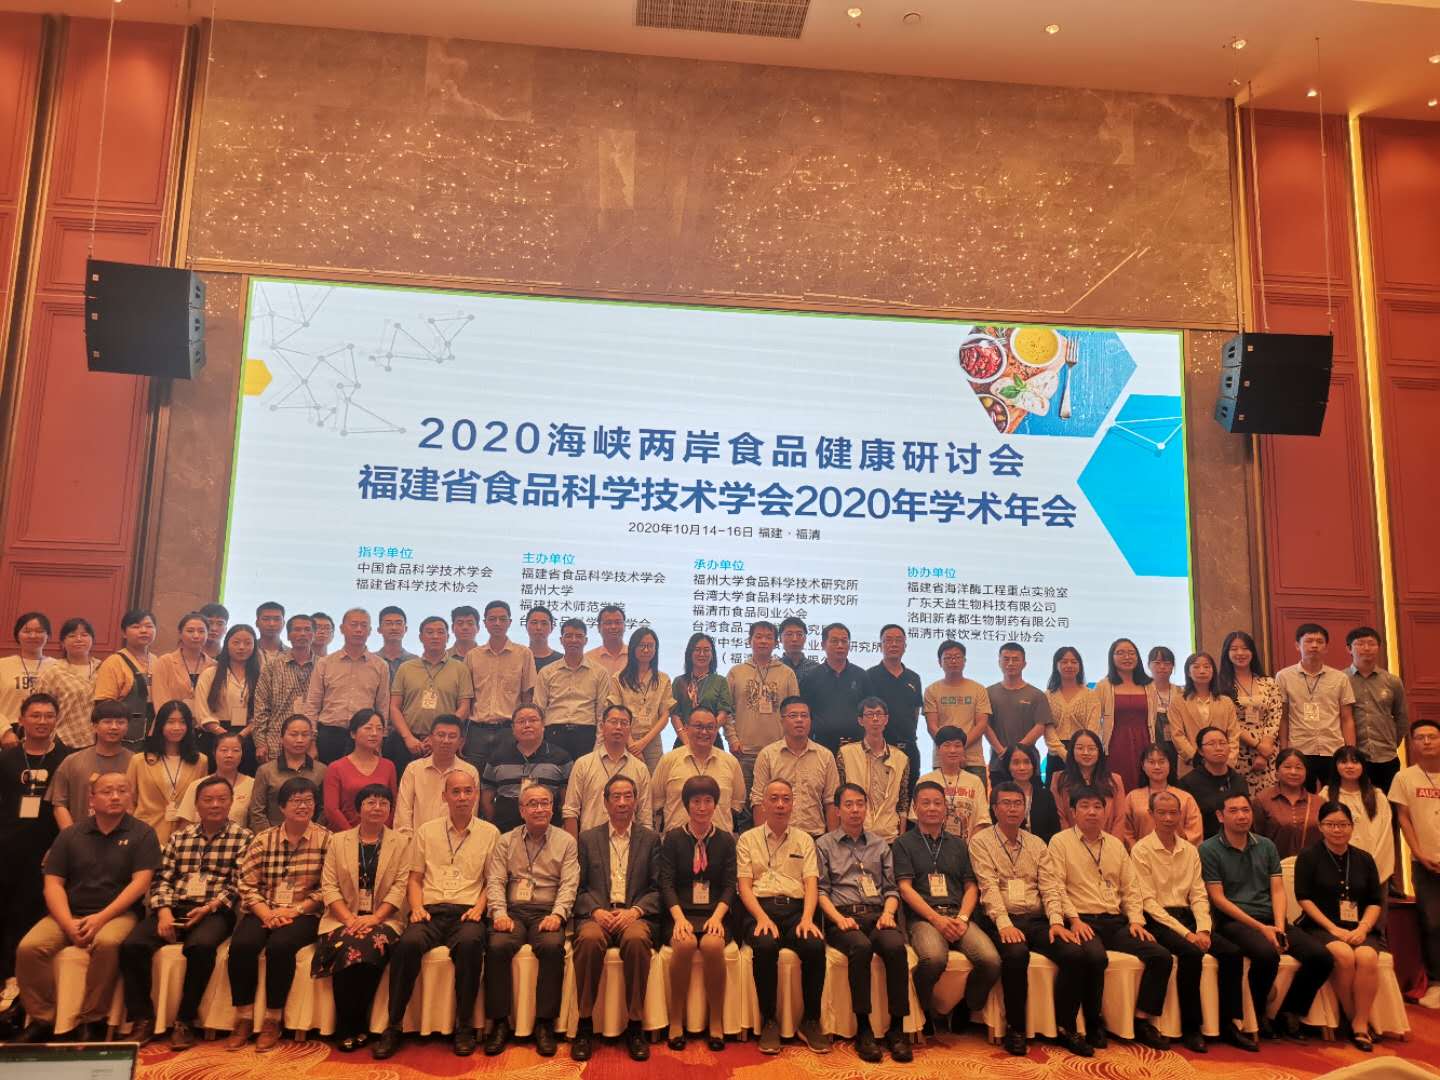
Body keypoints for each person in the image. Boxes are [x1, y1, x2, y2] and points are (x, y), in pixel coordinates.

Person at [11, 773, 160, 1043]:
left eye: (122, 791)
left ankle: (93, 1019)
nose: (115, 796)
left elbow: (140, 884)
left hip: (118, 914)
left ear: (131, 796)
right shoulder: (71, 834)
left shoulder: (143, 833)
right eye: (107, 791)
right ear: (92, 799)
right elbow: (53, 885)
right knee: (29, 948)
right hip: (69, 912)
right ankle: (43, 1019)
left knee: (107, 944)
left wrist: (101, 918)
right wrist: (67, 923)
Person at [117, 775, 251, 1049]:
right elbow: (162, 878)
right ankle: (142, 1018)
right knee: (132, 945)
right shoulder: (180, 837)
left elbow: (238, 884)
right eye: (208, 800)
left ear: (231, 803)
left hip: (214, 910)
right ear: (197, 804)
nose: (215, 805)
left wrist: (209, 907)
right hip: (175, 906)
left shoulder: (243, 837)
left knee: (200, 947)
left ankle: (185, 1020)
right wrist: (164, 911)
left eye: (222, 799)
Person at [374, 769, 499, 1059]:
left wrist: (480, 908)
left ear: (476, 795)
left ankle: (464, 1025)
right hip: (429, 910)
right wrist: (416, 907)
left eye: (468, 791)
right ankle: (394, 1025)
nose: (462, 797)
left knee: (470, 944)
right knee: (407, 945)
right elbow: (414, 878)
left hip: (468, 912)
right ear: (444, 796)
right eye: (455, 792)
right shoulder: (427, 831)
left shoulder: (490, 833)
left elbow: (492, 881)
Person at [1201, 791, 1334, 1041]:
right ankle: (1258, 1015)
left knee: (1321, 957)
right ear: (1220, 816)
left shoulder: (1266, 845)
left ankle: (1289, 1012)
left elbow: (1278, 890)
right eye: (1234, 811)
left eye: (1246, 810)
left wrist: (1279, 926)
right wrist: (1262, 929)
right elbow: (1218, 899)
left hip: (1272, 919)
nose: (1242, 816)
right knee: (1266, 954)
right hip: (1234, 922)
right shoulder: (1209, 849)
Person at [1047, 786, 1172, 1050]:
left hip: (1115, 921)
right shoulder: (1060, 842)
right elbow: (1056, 887)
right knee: (1095, 957)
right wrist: (1073, 919)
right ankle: (1092, 1023)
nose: (1092, 812)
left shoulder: (1115, 845)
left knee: (1160, 956)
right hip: (1082, 920)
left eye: (1097, 806)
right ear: (1073, 812)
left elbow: (1131, 888)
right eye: (1085, 806)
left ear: (1106, 812)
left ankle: (1142, 1020)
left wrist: (1136, 920)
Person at [970, 780, 1083, 1057]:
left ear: (1025, 808)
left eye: (1018, 803)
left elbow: (1050, 886)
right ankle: (1016, 1028)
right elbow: (988, 887)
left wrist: (1056, 922)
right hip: (1001, 919)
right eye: (1006, 803)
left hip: (1036, 919)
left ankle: (1066, 1026)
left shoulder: (1036, 843)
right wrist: (1004, 924)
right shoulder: (981, 842)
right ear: (994, 809)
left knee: (1074, 953)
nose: (1013, 809)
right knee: (1016, 954)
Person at [227, 776, 331, 1051]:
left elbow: (328, 888)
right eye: (296, 801)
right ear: (282, 807)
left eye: (308, 800)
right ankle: (244, 1017)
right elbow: (246, 884)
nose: (303, 806)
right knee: (242, 945)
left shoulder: (327, 840)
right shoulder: (264, 839)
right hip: (264, 909)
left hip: (304, 914)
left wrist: (295, 910)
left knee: (280, 946)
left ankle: (273, 1018)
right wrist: (267, 914)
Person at [895, 779, 1002, 1034]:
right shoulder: (903, 843)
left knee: (991, 961)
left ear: (946, 808)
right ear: (915, 807)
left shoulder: (958, 844)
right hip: (924, 918)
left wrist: (963, 918)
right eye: (926, 803)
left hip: (958, 915)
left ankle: (966, 1006)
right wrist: (936, 919)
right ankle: (924, 1010)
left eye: (937, 803)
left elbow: (971, 887)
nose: (932, 808)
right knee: (933, 959)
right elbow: (905, 889)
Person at [816, 783, 912, 1062]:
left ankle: (897, 1029)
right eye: (849, 804)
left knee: (895, 947)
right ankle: (864, 1028)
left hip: (878, 914)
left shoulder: (880, 844)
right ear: (837, 810)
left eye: (860, 804)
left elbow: (891, 889)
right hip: (842, 916)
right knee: (860, 947)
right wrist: (839, 919)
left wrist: (888, 914)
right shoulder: (824, 845)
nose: (855, 810)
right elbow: (821, 892)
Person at [483, 782, 578, 1057]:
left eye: (545, 803)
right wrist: (499, 913)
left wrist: (558, 915)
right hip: (513, 910)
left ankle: (544, 1024)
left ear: (553, 808)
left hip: (547, 910)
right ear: (521, 809)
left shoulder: (566, 842)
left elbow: (569, 884)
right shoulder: (506, 840)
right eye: (532, 804)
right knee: (497, 946)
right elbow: (495, 880)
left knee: (551, 947)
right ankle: (499, 1023)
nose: (539, 809)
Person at [313, 784, 410, 1053]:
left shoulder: (401, 842)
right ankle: (348, 1024)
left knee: (371, 944)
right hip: (341, 918)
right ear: (359, 808)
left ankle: (356, 1022)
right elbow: (329, 886)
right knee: (347, 945)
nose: (377, 808)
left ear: (390, 810)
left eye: (383, 803)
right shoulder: (338, 841)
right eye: (370, 802)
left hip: (384, 919)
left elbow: (400, 886)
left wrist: (375, 917)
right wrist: (348, 919)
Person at [736, 779, 831, 1055]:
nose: (780, 804)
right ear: (763, 804)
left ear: (793, 804)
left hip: (796, 911)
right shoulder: (747, 839)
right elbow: (744, 886)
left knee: (814, 945)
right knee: (765, 946)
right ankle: (769, 1021)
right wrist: (761, 917)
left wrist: (808, 919)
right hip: (759, 909)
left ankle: (810, 1020)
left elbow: (811, 883)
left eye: (786, 799)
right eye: (774, 799)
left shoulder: (804, 840)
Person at [570, 773, 660, 1062]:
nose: (622, 803)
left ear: (636, 801)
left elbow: (658, 888)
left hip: (634, 915)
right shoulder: (587, 839)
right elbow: (577, 887)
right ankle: (584, 1023)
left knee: (636, 940)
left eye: (628, 796)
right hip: (597, 914)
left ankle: (635, 1025)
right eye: (616, 797)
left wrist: (635, 911)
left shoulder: (650, 839)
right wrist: (595, 911)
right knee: (588, 939)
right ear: (606, 802)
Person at [1129, 788, 1217, 1053]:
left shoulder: (1190, 850)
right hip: (1157, 919)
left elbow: (1198, 894)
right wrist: (1188, 935)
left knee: (1230, 951)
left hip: (1188, 916)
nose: (1168, 818)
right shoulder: (1141, 850)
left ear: (1181, 815)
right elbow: (1148, 902)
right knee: (1191, 953)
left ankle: (1229, 1023)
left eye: (1173, 813)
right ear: (1151, 814)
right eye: (1162, 813)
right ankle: (1191, 1027)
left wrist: (1204, 929)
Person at [0, 694, 71, 1024]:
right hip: (9, 847)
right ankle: (8, 982)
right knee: (7, 913)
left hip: (49, 851)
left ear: (57, 719)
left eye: (48, 715)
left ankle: (35, 993)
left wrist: (61, 847)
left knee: (37, 915)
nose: (42, 721)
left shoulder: (66, 759)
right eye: (36, 715)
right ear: (22, 719)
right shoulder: (7, 758)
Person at [1295, 800, 1386, 1050]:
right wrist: (1333, 929)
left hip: (1359, 927)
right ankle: (1353, 1016)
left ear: (1352, 826)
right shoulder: (1309, 857)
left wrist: (1363, 928)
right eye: (1331, 824)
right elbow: (1303, 898)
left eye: (1343, 824)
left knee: (1367, 956)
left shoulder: (1364, 859)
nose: (1337, 830)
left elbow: (1375, 901)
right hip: (1319, 927)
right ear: (1320, 826)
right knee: (1344, 955)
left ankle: (1360, 1022)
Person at [658, 775, 735, 1052]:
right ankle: (676, 1020)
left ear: (715, 804)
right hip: (680, 912)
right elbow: (666, 883)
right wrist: (679, 919)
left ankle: (716, 1021)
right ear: (686, 804)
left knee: (713, 946)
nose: (702, 807)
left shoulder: (726, 840)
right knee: (685, 944)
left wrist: (717, 917)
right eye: (696, 801)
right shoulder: (673, 839)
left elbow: (730, 885)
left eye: (707, 801)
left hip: (715, 913)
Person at [1386, 716, 1440, 1008]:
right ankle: (1435, 982)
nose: (1427, 742)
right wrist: (1418, 853)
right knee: (1432, 922)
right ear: (1413, 743)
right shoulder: (1404, 778)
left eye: (1432, 736)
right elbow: (1403, 819)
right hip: (1424, 862)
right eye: (1420, 738)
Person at [1276, 623, 1356, 790]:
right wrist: (1284, 750)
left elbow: (1347, 718)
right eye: (1309, 641)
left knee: (1336, 795)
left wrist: (1349, 752)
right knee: (1301, 796)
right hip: (1299, 749)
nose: (1314, 645)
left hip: (1333, 748)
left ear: (1326, 647)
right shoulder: (1284, 677)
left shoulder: (1340, 678)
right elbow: (1282, 718)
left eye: (1319, 642)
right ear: (1297, 645)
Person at [304, 608, 390, 765]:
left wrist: (379, 741)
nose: (359, 630)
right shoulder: (325, 663)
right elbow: (312, 705)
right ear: (342, 628)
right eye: (354, 624)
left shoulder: (380, 665)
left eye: (363, 625)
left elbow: (382, 707)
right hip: (329, 735)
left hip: (364, 735)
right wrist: (311, 741)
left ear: (370, 631)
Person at [389, 615, 473, 771]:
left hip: (445, 742)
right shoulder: (406, 668)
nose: (435, 636)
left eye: (440, 632)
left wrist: (438, 737)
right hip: (407, 742)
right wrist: (408, 738)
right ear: (420, 637)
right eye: (429, 632)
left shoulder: (460, 669)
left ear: (448, 637)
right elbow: (394, 707)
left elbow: (464, 707)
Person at [751, 696, 840, 836]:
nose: (799, 720)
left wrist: (833, 842)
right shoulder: (767, 755)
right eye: (793, 716)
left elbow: (831, 802)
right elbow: (758, 800)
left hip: (815, 835)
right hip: (777, 835)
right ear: (782, 721)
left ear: (810, 721)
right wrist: (762, 840)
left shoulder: (825, 756)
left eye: (804, 716)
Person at [463, 601, 535, 770]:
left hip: (509, 730)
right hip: (477, 731)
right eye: (492, 619)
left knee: (509, 779)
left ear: (510, 622)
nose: (497, 623)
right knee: (475, 778)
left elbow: (527, 696)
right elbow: (467, 697)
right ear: (484, 623)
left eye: (502, 619)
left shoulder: (523, 654)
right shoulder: (472, 656)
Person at [727, 621, 798, 791]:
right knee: (743, 803)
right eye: (758, 637)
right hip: (743, 752)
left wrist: (788, 743)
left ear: (776, 642)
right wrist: (732, 739)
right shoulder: (736, 672)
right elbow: (727, 711)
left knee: (776, 800)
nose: (763, 641)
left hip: (778, 752)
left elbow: (794, 711)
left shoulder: (787, 673)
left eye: (768, 637)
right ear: (749, 640)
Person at [125, 701, 209, 845]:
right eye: (170, 722)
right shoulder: (139, 760)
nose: (177, 727)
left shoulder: (200, 761)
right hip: (146, 835)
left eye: (182, 722)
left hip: (186, 837)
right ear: (160, 725)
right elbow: (128, 802)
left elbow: (201, 801)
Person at [480, 703, 571, 831]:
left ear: (543, 725)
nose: (527, 725)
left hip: (549, 833)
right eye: (521, 721)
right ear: (513, 728)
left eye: (533, 720)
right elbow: (486, 800)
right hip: (505, 833)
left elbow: (566, 803)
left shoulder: (561, 758)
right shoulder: (497, 758)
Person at [562, 703, 650, 835]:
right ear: (602, 727)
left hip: (629, 843)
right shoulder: (583, 764)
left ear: (630, 729)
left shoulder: (640, 768)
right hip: (590, 843)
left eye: (624, 723)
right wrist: (574, 847)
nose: (618, 727)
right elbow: (570, 811)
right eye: (613, 722)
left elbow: (645, 817)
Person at [652, 707, 745, 832]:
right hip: (677, 841)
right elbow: (657, 802)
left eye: (710, 727)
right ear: (686, 728)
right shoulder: (668, 761)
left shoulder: (731, 763)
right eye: (698, 726)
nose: (704, 732)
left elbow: (736, 804)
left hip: (719, 841)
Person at [49, 700, 133, 830]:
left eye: (120, 722)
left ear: (127, 727)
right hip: (81, 835)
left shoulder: (136, 762)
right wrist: (72, 836)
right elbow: (59, 804)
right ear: (94, 726)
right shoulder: (72, 761)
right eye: (107, 722)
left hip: (126, 836)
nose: (114, 727)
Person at [534, 618, 611, 760]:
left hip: (586, 734)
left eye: (579, 636)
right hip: (553, 734)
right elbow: (538, 710)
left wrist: (598, 746)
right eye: (568, 636)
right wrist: (540, 744)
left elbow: (602, 713)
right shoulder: (546, 672)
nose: (574, 640)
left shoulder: (600, 673)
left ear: (586, 640)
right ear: (561, 640)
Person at [1217, 632, 1284, 796]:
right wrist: (1258, 745)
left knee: (1268, 800)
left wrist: (1265, 751)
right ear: (1226, 653)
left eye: (1245, 648)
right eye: (1234, 649)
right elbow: (1229, 722)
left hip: (1268, 753)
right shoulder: (1220, 685)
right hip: (1236, 751)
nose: (1240, 653)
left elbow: (1274, 717)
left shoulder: (1269, 683)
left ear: (1252, 652)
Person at [1345, 626, 1408, 794]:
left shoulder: (1392, 681)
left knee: (1388, 803)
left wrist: (1391, 742)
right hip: (1352, 757)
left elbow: (1401, 718)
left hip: (1386, 756)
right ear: (1349, 649)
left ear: (1378, 648)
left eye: (1371, 643)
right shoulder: (1340, 680)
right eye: (1360, 644)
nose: (1366, 648)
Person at [836, 697, 909, 840]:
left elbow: (903, 802)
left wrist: (902, 838)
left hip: (889, 836)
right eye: (869, 714)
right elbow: (838, 796)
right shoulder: (845, 753)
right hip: (855, 834)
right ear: (860, 721)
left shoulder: (901, 758)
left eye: (879, 714)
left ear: (886, 719)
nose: (875, 719)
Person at [864, 625, 925, 795]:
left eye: (898, 640)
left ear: (905, 646)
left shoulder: (913, 678)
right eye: (888, 640)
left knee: (909, 794)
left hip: (909, 746)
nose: (893, 644)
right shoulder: (869, 676)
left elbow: (915, 711)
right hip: (880, 748)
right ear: (880, 645)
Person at [923, 640, 993, 783]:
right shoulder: (932, 690)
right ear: (939, 662)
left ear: (964, 661)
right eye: (948, 658)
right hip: (942, 760)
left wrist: (958, 749)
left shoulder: (978, 689)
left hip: (973, 760)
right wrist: (951, 750)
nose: (953, 661)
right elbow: (932, 726)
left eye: (957, 657)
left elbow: (981, 724)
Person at [393, 714, 477, 833]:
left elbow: (470, 815)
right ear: (430, 738)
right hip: (417, 841)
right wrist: (407, 841)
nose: (446, 741)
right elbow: (403, 813)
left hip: (455, 841)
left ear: (461, 742)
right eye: (441, 735)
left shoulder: (469, 772)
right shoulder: (414, 769)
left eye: (452, 736)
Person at [193, 624, 260, 769]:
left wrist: (241, 736)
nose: (241, 647)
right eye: (236, 642)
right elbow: (201, 709)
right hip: (215, 735)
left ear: (255, 646)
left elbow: (263, 711)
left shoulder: (261, 675)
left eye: (248, 643)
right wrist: (223, 734)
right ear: (227, 644)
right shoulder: (210, 673)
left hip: (249, 736)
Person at [252, 613, 317, 765]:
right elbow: (261, 707)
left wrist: (314, 742)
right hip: (275, 743)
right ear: (288, 635)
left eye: (307, 629)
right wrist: (260, 743)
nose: (302, 634)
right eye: (297, 630)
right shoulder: (273, 666)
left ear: (313, 634)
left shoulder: (324, 666)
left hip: (312, 743)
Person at [986, 642, 1053, 783]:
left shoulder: (1036, 694)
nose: (1010, 663)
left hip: (1028, 763)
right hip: (998, 762)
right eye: (1006, 659)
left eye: (1015, 659)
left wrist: (1017, 751)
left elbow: (1040, 726)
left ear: (1024, 664)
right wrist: (1001, 751)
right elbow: (985, 725)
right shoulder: (988, 693)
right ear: (999, 662)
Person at [1095, 638, 1157, 791]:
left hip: (1144, 741)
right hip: (1116, 743)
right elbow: (1096, 720)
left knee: (1144, 784)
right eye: (1120, 653)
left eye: (1131, 653)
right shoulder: (1103, 685)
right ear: (1112, 657)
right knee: (1118, 785)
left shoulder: (1149, 685)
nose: (1127, 657)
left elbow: (1153, 718)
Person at [248, 714, 328, 832]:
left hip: (312, 836)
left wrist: (314, 834)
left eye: (305, 735)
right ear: (281, 738)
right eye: (293, 734)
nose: (300, 740)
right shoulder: (266, 770)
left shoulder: (322, 770)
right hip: (272, 835)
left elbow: (325, 809)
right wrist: (270, 837)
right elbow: (256, 811)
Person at [799, 624, 870, 756]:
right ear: (823, 645)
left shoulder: (861, 675)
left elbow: (868, 711)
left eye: (844, 641)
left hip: (856, 746)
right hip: (820, 746)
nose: (840, 645)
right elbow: (804, 713)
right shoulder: (811, 677)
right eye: (834, 641)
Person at [609, 626, 672, 772]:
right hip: (624, 739)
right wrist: (632, 744)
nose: (646, 650)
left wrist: (643, 742)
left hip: (652, 741)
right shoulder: (619, 678)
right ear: (633, 648)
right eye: (642, 645)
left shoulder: (663, 679)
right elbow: (616, 713)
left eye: (650, 646)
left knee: (653, 781)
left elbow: (665, 716)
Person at [92, 609, 157, 750]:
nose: (143, 631)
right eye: (136, 626)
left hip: (152, 735)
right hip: (121, 737)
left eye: (149, 626)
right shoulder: (114, 662)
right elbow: (104, 706)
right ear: (124, 633)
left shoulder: (158, 661)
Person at [323, 708, 397, 832]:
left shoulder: (388, 766)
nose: (374, 733)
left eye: (379, 729)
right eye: (368, 728)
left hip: (381, 835)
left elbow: (393, 805)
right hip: (344, 835)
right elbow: (331, 809)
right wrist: (353, 835)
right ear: (353, 733)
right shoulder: (336, 768)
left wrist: (382, 831)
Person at [1328, 746, 1394, 884]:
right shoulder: (1326, 796)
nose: (1349, 766)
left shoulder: (1378, 797)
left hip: (1375, 871)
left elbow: (1385, 836)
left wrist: (1370, 866)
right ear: (1335, 766)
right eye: (1343, 762)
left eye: (1355, 761)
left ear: (1363, 765)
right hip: (1337, 873)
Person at [1169, 652, 1241, 778]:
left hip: (1223, 765)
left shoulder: (1225, 701)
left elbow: (1233, 734)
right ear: (1188, 672)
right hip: (1191, 766)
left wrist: (1229, 760)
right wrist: (1197, 759)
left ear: (1213, 671)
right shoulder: (1178, 701)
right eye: (1196, 667)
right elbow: (1177, 735)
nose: (1202, 671)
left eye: (1207, 666)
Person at [913, 727, 990, 840]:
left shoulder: (975, 781)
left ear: (963, 749)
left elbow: (982, 821)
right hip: (931, 846)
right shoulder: (925, 780)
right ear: (938, 749)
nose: (952, 750)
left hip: (966, 846)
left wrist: (969, 846)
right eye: (947, 745)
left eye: (957, 746)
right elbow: (917, 818)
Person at [1120, 743, 1203, 847]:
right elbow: (1126, 831)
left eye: (1162, 762)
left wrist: (1175, 850)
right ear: (1143, 766)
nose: (1157, 767)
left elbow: (1195, 832)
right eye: (1151, 762)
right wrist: (1138, 851)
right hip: (1142, 854)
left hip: (1179, 854)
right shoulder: (1132, 797)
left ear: (1170, 764)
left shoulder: (1186, 798)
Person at [36, 617, 100, 751]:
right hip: (63, 740)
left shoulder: (103, 668)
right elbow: (39, 707)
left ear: (92, 640)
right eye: (72, 636)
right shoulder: (52, 672)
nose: (79, 639)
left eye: (84, 635)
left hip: (100, 741)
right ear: (62, 643)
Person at [1178, 725, 1251, 839]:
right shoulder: (1188, 783)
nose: (1218, 748)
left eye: (1223, 743)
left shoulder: (1239, 780)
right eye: (1211, 744)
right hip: (1202, 843)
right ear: (1200, 751)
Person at [1051, 729, 1125, 836]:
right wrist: (1070, 842)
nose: (1086, 753)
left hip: (1108, 841)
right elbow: (1060, 817)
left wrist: (1111, 844)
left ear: (1099, 752)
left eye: (1091, 748)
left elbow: (1120, 819)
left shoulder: (1114, 780)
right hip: (1070, 842)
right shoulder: (1059, 779)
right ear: (1072, 751)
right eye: (1080, 748)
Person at [175, 730, 254, 828]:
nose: (229, 755)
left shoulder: (252, 785)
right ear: (214, 753)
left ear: (242, 754)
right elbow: (185, 824)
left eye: (236, 750)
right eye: (224, 750)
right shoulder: (197, 785)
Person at [1044, 645, 1101, 780]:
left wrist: (1081, 751)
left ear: (1080, 666)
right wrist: (1065, 755)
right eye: (1064, 662)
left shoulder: (1090, 695)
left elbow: (1093, 728)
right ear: (1056, 665)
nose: (1069, 665)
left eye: (1074, 662)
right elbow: (1048, 729)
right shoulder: (1047, 696)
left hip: (1085, 754)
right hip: (1056, 754)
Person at [1254, 748, 1322, 859]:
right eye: (1287, 767)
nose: (1293, 772)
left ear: (1306, 773)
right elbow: (1255, 838)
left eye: (1299, 768)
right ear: (1276, 772)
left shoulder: (1319, 802)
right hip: (1273, 865)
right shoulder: (1262, 800)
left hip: (1311, 866)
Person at [670, 632, 733, 750]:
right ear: (690, 653)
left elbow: (723, 714)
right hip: (684, 740)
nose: (702, 654)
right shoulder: (679, 681)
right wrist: (687, 741)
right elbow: (675, 715)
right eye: (697, 650)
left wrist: (708, 731)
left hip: (712, 739)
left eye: (706, 650)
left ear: (712, 654)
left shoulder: (720, 681)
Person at [0, 613, 56, 742]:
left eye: (39, 631)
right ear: (17, 635)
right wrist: (5, 732)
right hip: (8, 736)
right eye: (27, 631)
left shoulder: (58, 667)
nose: (33, 636)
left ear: (48, 635)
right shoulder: (2, 665)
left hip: (47, 736)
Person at [148, 613, 214, 720]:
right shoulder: (165, 662)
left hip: (204, 725)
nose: (196, 636)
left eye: (201, 631)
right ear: (180, 633)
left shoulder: (213, 666)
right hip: (170, 724)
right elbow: (160, 700)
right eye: (190, 631)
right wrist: (176, 722)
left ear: (207, 634)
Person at [995, 743, 1061, 841]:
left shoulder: (1045, 795)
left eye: (1027, 762)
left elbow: (1055, 831)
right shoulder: (1000, 795)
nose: (1022, 767)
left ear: (1033, 765)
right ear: (1008, 766)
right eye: (1016, 763)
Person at [1147, 646, 1178, 752]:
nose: (1162, 666)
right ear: (1149, 665)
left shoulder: (1181, 692)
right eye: (1157, 663)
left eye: (1167, 663)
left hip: (1177, 747)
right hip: (1150, 746)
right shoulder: (1143, 692)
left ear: (1173, 666)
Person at [585, 604, 629, 677]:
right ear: (599, 627)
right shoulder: (588, 658)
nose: (613, 627)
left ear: (624, 626)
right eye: (608, 623)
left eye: (618, 622)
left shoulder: (635, 656)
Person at [375, 605, 417, 680]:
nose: (394, 627)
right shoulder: (371, 661)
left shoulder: (415, 662)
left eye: (398, 623)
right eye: (388, 623)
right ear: (379, 629)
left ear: (405, 629)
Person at [524, 606, 561, 671]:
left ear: (552, 628)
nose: (538, 627)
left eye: (544, 623)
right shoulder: (519, 658)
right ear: (526, 626)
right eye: (534, 623)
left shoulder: (560, 660)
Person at [254, 602, 289, 670]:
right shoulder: (248, 652)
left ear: (284, 623)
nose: (271, 624)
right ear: (257, 623)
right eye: (265, 619)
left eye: (277, 619)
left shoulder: (291, 654)